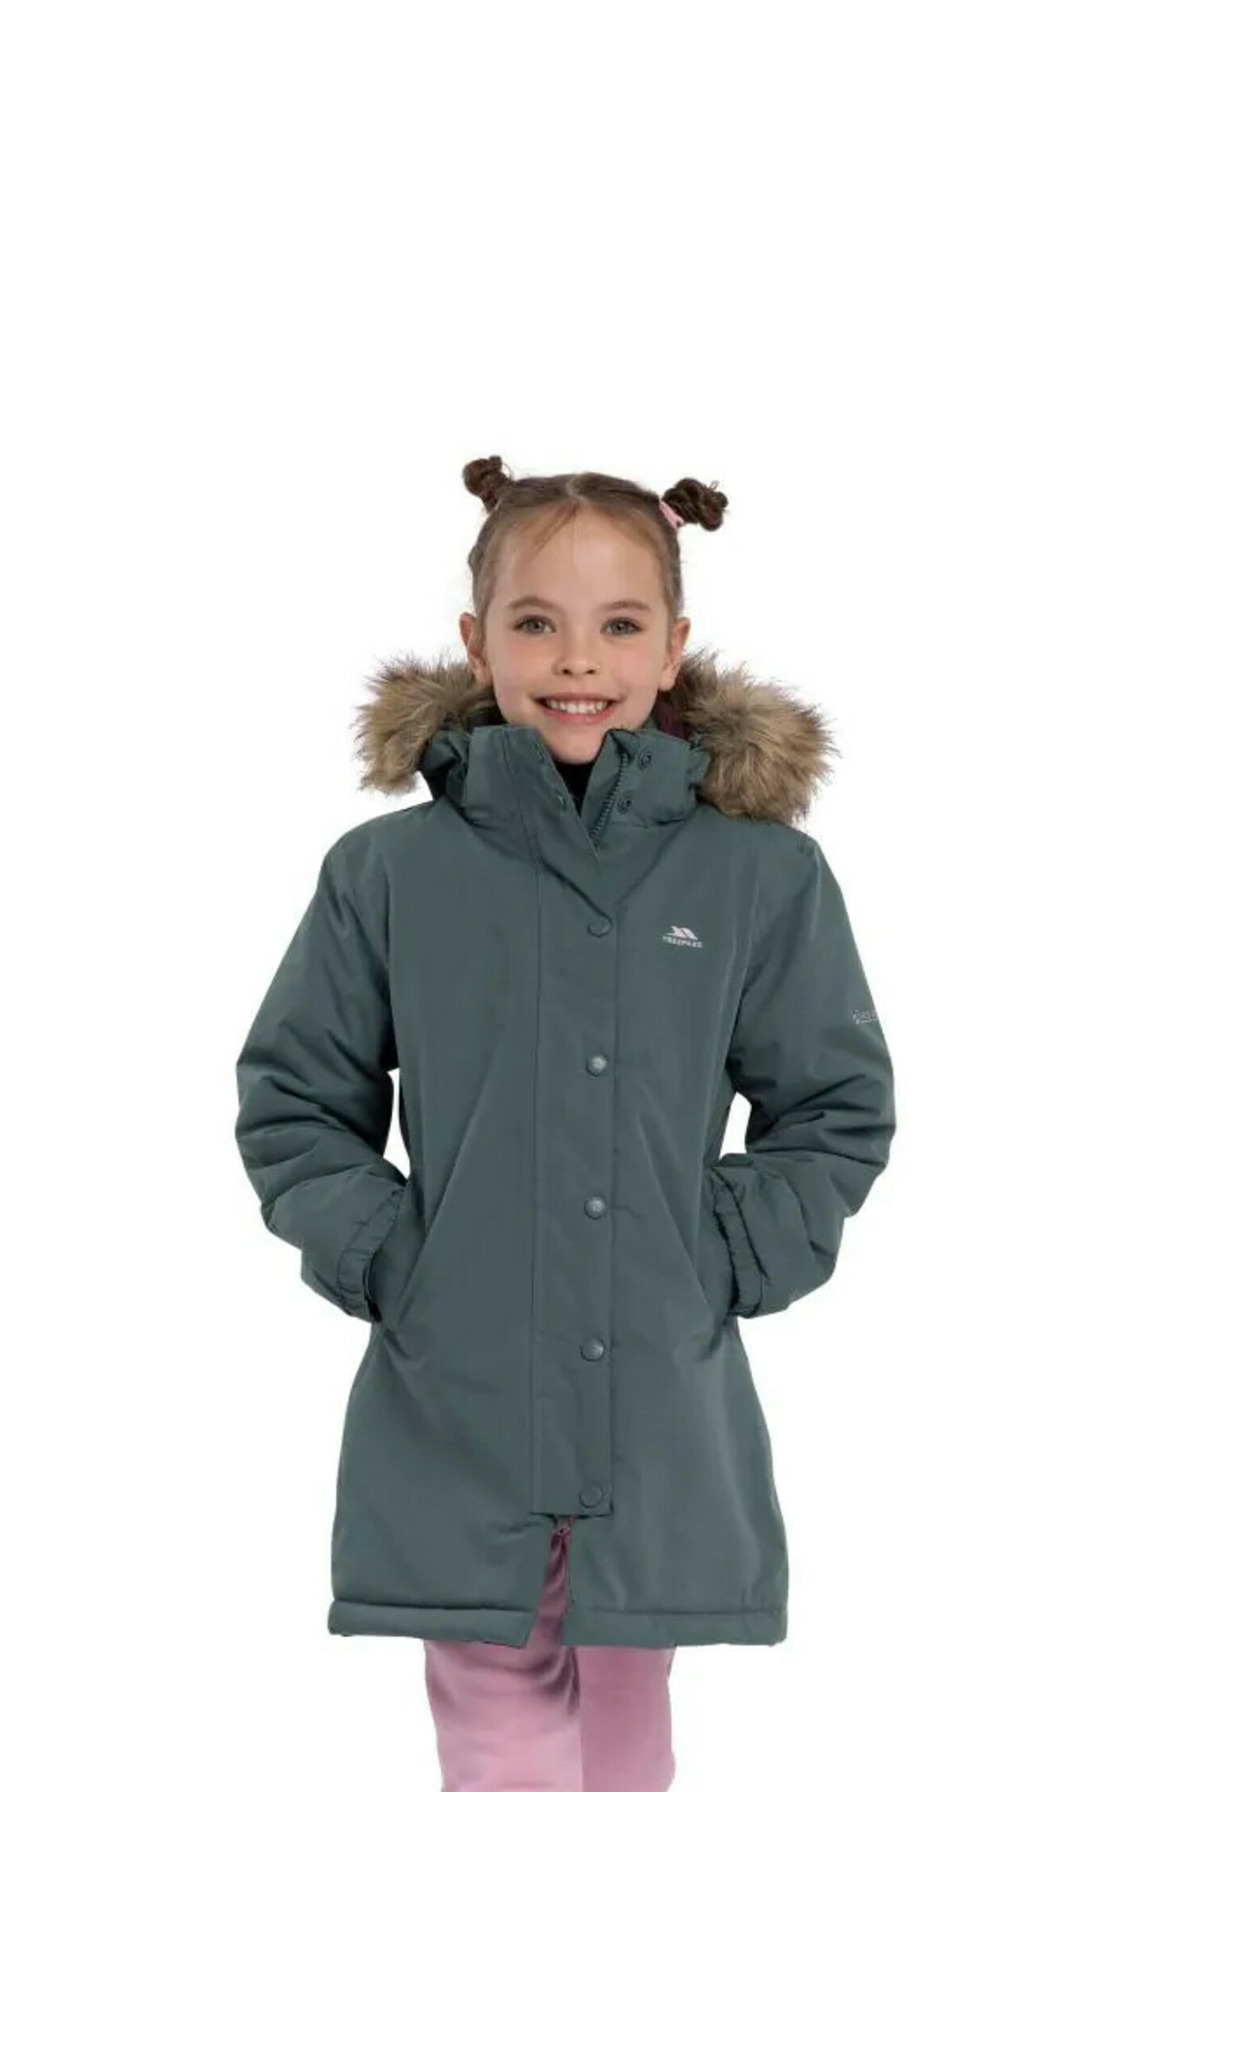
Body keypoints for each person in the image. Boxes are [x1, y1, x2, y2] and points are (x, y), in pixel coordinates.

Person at [234, 458, 896, 1790]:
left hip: (656, 1392)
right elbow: (297, 1098)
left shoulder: (758, 874)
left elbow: (833, 1104)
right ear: (476, 642)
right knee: (499, 1741)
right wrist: (396, 1256)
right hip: (457, 1391)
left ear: (675, 646)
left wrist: (726, 1252)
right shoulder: (390, 875)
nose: (577, 659)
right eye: (536, 622)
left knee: (628, 1726)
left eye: (619, 624)